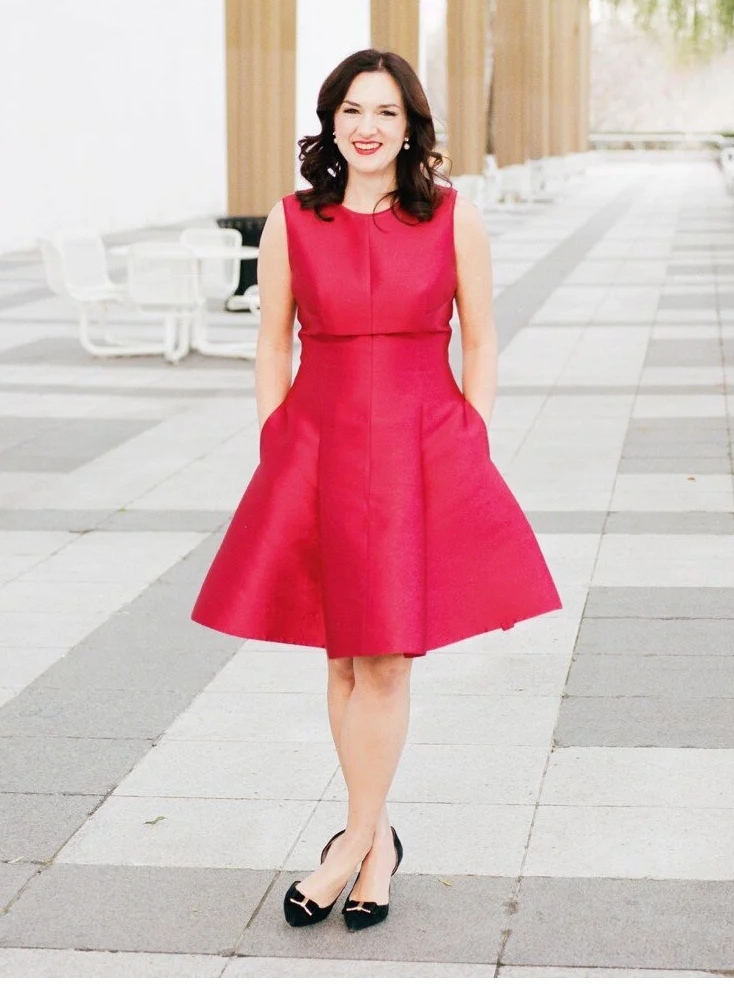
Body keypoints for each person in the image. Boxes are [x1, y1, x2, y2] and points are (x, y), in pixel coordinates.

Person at [191, 48, 560, 932]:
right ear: (331, 122)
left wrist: (470, 429)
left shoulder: (451, 217)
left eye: (386, 112)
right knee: (342, 651)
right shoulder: (291, 220)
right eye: (353, 110)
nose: (367, 126)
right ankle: (377, 839)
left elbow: (482, 336)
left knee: (387, 653)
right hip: (317, 442)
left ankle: (351, 846)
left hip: (420, 444)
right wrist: (277, 434)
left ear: (410, 127)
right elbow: (271, 340)